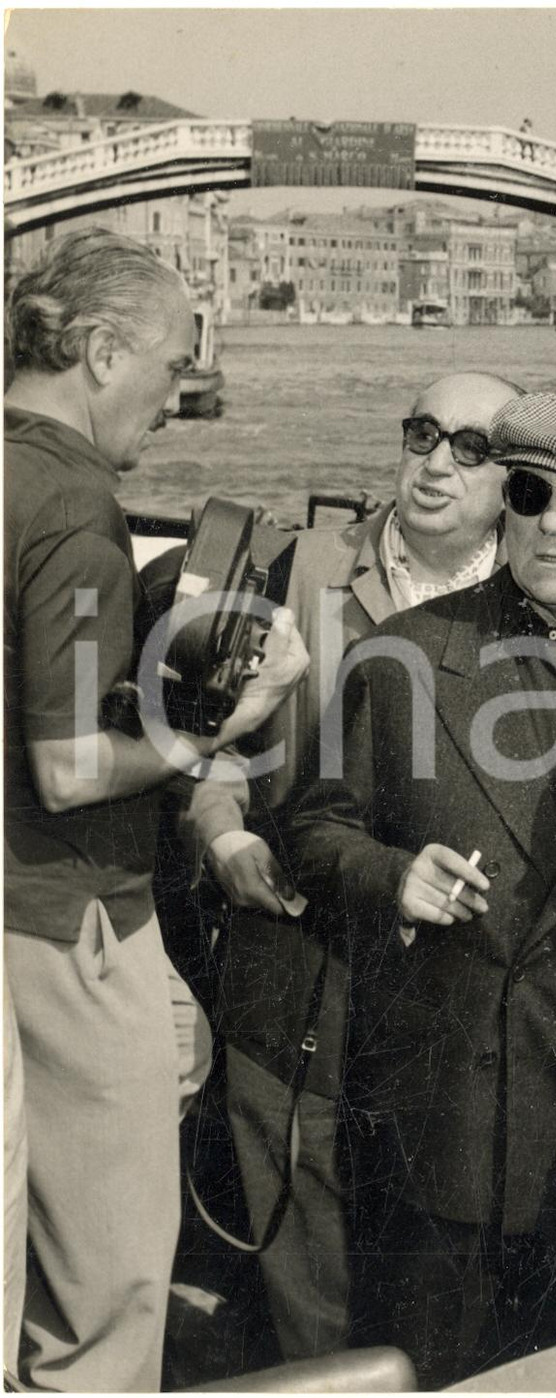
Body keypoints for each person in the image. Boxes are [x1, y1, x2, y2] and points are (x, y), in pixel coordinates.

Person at [289, 393, 556, 1387]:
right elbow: (313, 830)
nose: (554, 524)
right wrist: (390, 876)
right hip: (433, 1124)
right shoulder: (400, 656)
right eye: (530, 495)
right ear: (502, 506)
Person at [3, 227, 308, 1392]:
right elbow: (75, 769)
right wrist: (227, 721)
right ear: (97, 350)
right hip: (60, 912)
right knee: (110, 1292)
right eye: (173, 367)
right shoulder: (77, 505)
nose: (178, 401)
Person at [180, 372, 523, 1361]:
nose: (435, 463)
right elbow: (213, 740)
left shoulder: (535, 591)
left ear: (511, 474)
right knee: (308, 1261)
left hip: (445, 991)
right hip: (294, 962)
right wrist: (225, 835)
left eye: (470, 445)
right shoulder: (307, 565)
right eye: (423, 434)